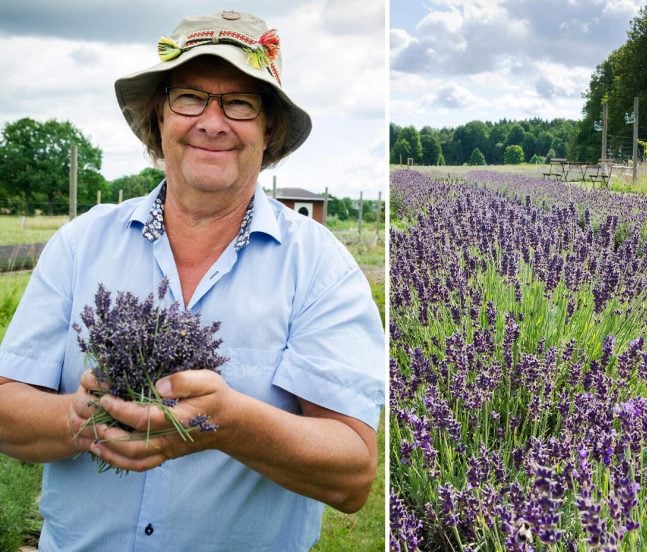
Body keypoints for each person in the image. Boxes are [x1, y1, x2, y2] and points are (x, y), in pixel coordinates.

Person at [0, 11, 384, 551]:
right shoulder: (81, 244)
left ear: (268, 128)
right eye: (189, 98)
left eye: (240, 103)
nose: (212, 121)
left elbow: (352, 474)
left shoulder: (321, 267)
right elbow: (6, 408)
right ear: (160, 117)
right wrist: (81, 416)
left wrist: (229, 425)